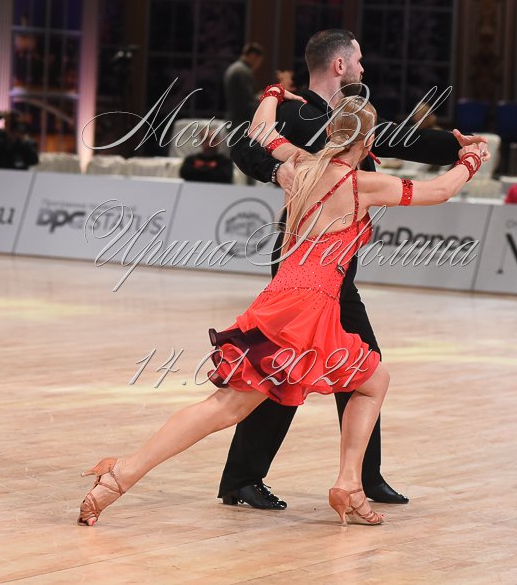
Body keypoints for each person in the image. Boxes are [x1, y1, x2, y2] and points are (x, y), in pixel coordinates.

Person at [78, 92, 487, 528]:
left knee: (365, 382)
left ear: (331, 131)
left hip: (283, 298)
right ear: (369, 143)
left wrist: (272, 94)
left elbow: (261, 132)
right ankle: (122, 473)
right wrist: (473, 158)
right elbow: (440, 190)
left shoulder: (299, 166)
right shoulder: (361, 184)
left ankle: (350, 484)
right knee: (229, 406)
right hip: (308, 309)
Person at [223, 29, 489, 510]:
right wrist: (276, 170)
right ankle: (255, 478)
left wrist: (454, 146)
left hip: (336, 266)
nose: (364, 68)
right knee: (300, 367)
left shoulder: (350, 116)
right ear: (340, 65)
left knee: (351, 364)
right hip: (304, 263)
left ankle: (357, 476)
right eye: (359, 60)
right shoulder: (295, 112)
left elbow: (400, 138)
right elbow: (243, 145)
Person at [223, 43, 264, 134]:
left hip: (233, 120)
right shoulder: (243, 71)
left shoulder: (234, 68)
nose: (258, 65)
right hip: (241, 123)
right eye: (259, 61)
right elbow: (248, 102)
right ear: (253, 56)